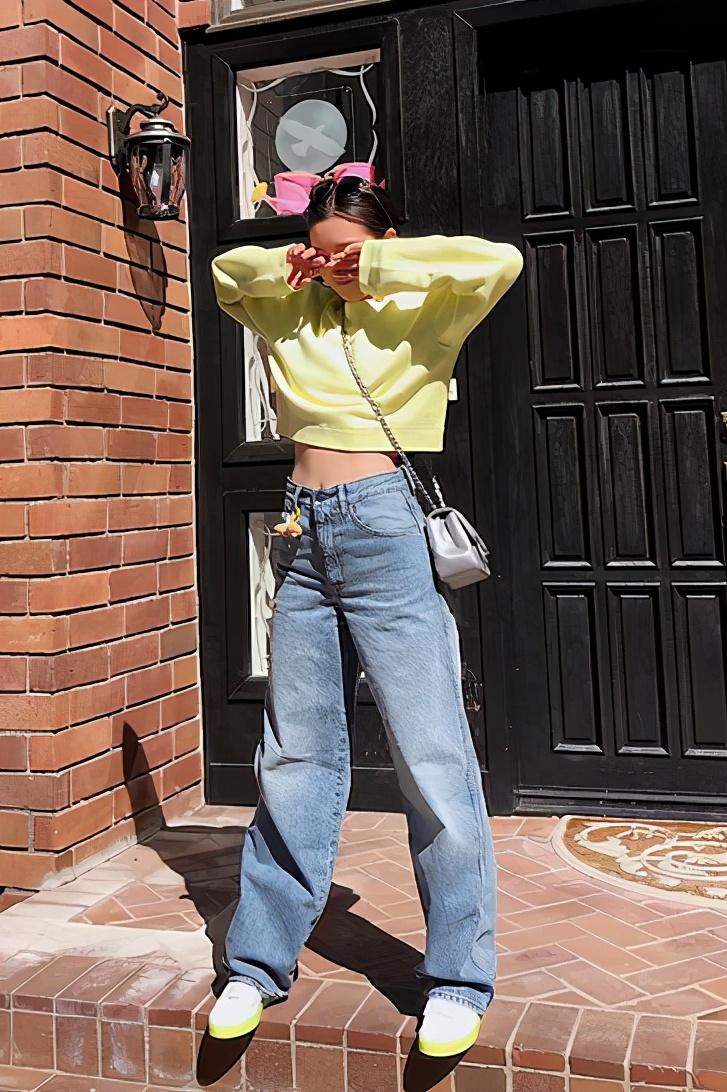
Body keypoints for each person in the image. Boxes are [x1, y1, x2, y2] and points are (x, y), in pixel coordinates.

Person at [207, 171, 523, 1057]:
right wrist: (299, 266)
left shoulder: (428, 308)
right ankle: (256, 962)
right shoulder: (291, 311)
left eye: (350, 249)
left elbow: (499, 260)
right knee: (295, 753)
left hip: (386, 526)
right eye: (322, 250)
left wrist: (375, 269)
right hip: (300, 531)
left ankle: (457, 977)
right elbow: (229, 274)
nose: (334, 265)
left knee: (430, 752)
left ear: (383, 243)